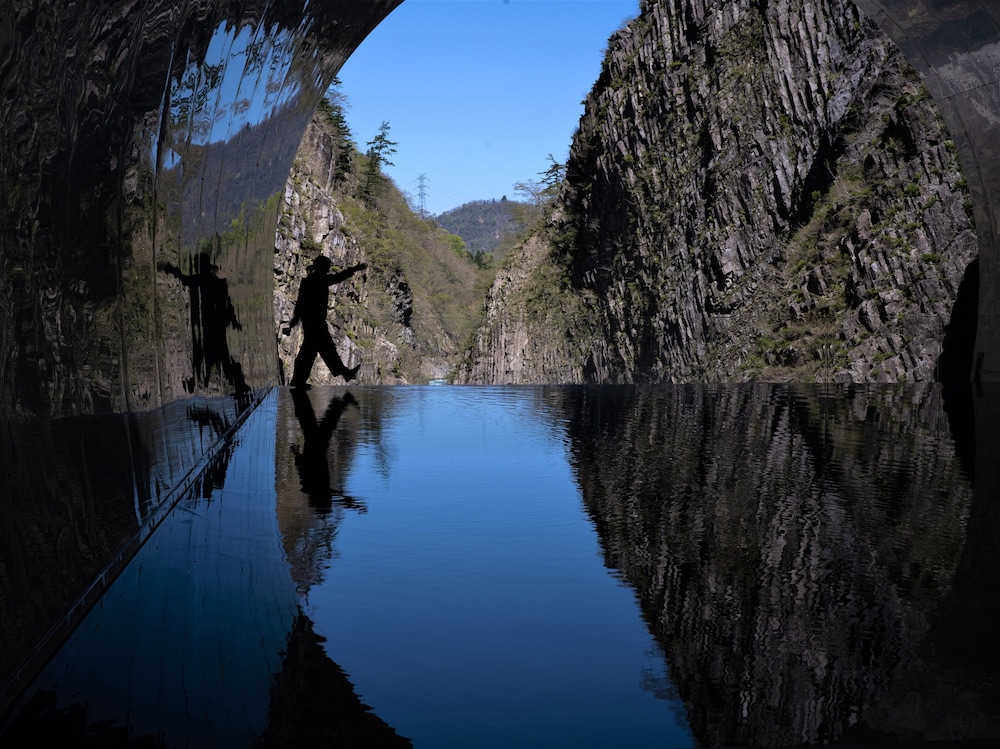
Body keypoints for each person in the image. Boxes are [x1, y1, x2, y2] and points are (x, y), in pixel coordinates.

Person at [285, 255, 367, 387]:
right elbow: (339, 276)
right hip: (315, 322)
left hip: (310, 321)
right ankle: (342, 373)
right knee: (321, 349)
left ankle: (299, 380)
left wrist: (296, 317)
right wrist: (356, 268)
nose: (328, 270)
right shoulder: (320, 280)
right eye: (327, 267)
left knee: (313, 351)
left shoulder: (309, 281)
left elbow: (300, 302)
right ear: (322, 267)